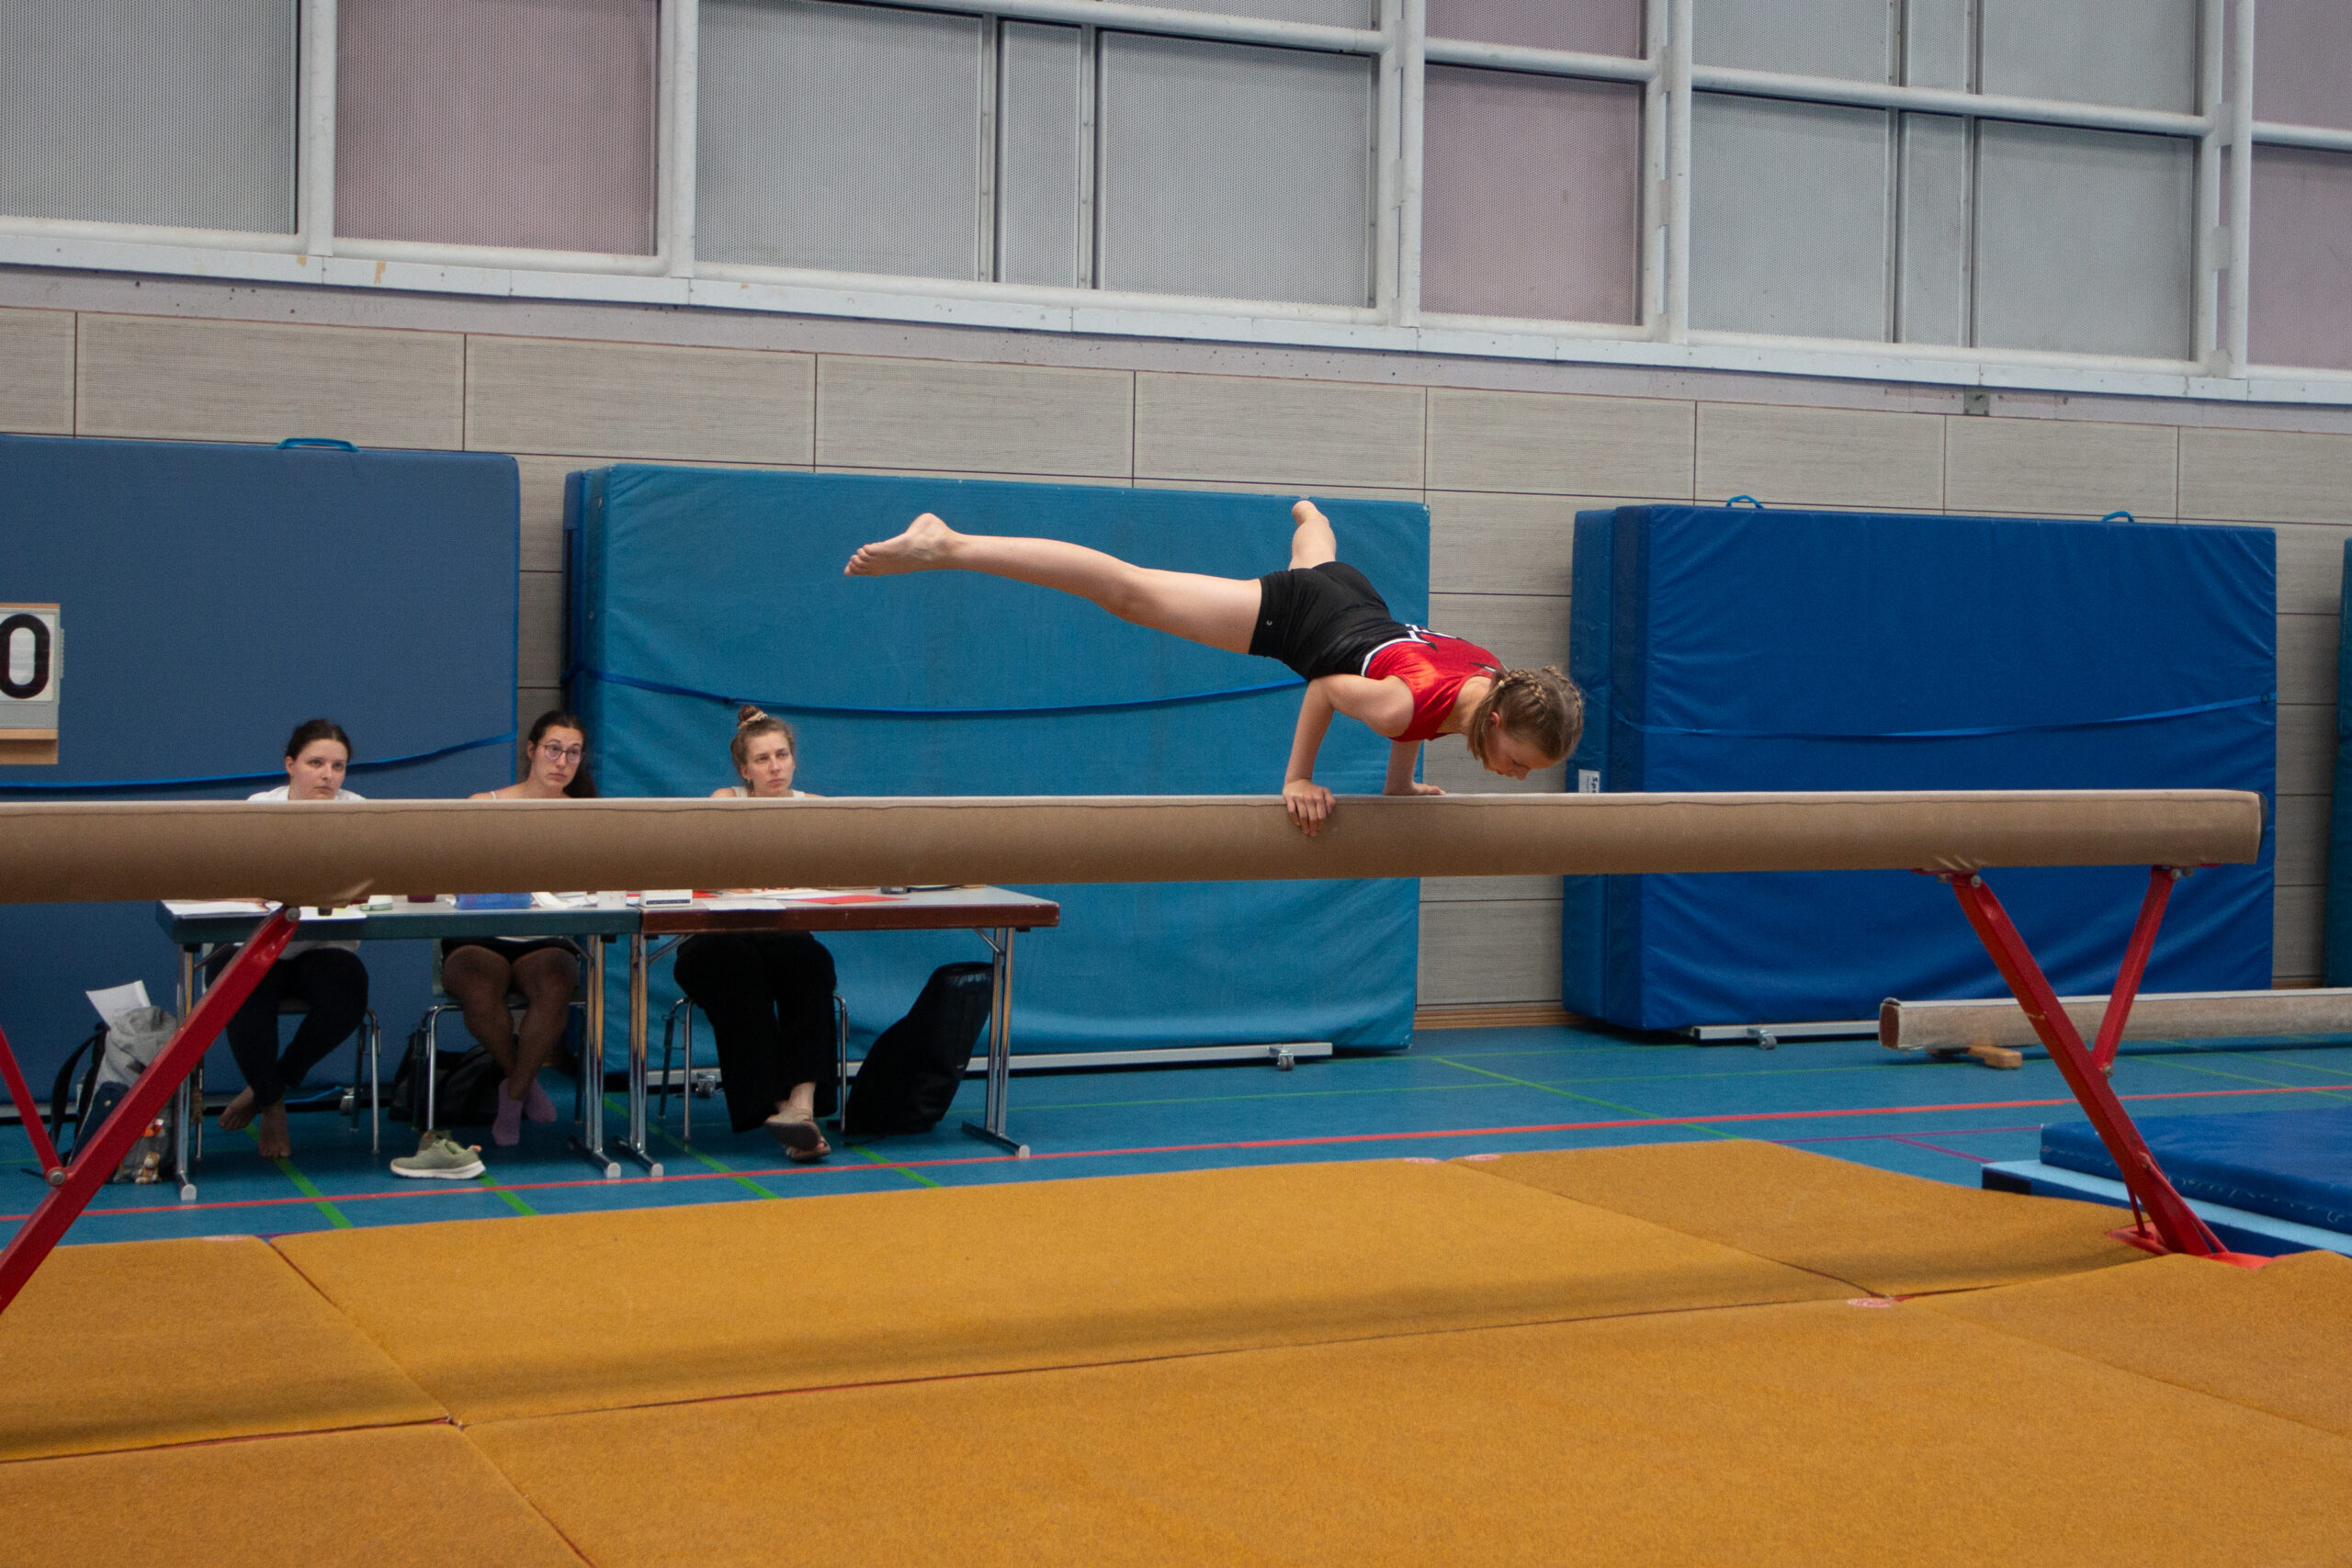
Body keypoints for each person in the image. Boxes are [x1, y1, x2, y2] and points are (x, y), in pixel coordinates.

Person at [846, 499, 1583, 835]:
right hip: (1303, 619)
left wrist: (1400, 787)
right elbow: (1329, 689)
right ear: (1496, 719)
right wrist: (1297, 778)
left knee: (1316, 552)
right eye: (1522, 761)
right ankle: (949, 543)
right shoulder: (1403, 706)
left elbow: (1425, 710)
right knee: (1131, 593)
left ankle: (1310, 515)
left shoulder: (1493, 673)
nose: (1520, 776)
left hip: (1358, 602)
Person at [672, 705, 837, 1161]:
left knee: (810, 961)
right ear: (745, 770)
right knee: (738, 969)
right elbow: (703, 870)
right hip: (715, 939)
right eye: (762, 759)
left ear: (794, 760)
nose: (775, 767)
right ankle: (783, 1112)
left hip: (780, 934)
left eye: (781, 756)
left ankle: (802, 1103)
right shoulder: (724, 801)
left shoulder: (816, 808)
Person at [434, 710, 596, 1149]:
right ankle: (520, 1080)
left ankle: (514, 1093)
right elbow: (453, 873)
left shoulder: (585, 815)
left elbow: (592, 887)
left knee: (557, 981)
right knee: (478, 985)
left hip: (544, 935)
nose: (562, 762)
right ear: (531, 750)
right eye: (553, 749)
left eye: (573, 753)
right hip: (481, 932)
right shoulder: (484, 804)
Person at [215, 719, 372, 1160]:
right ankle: (273, 1107)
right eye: (316, 763)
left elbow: (369, 887)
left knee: (349, 987)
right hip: (261, 944)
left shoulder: (358, 811)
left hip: (321, 948)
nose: (328, 775)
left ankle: (270, 1087)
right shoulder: (259, 809)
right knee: (240, 984)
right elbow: (226, 880)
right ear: (290, 765)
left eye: (338, 767)